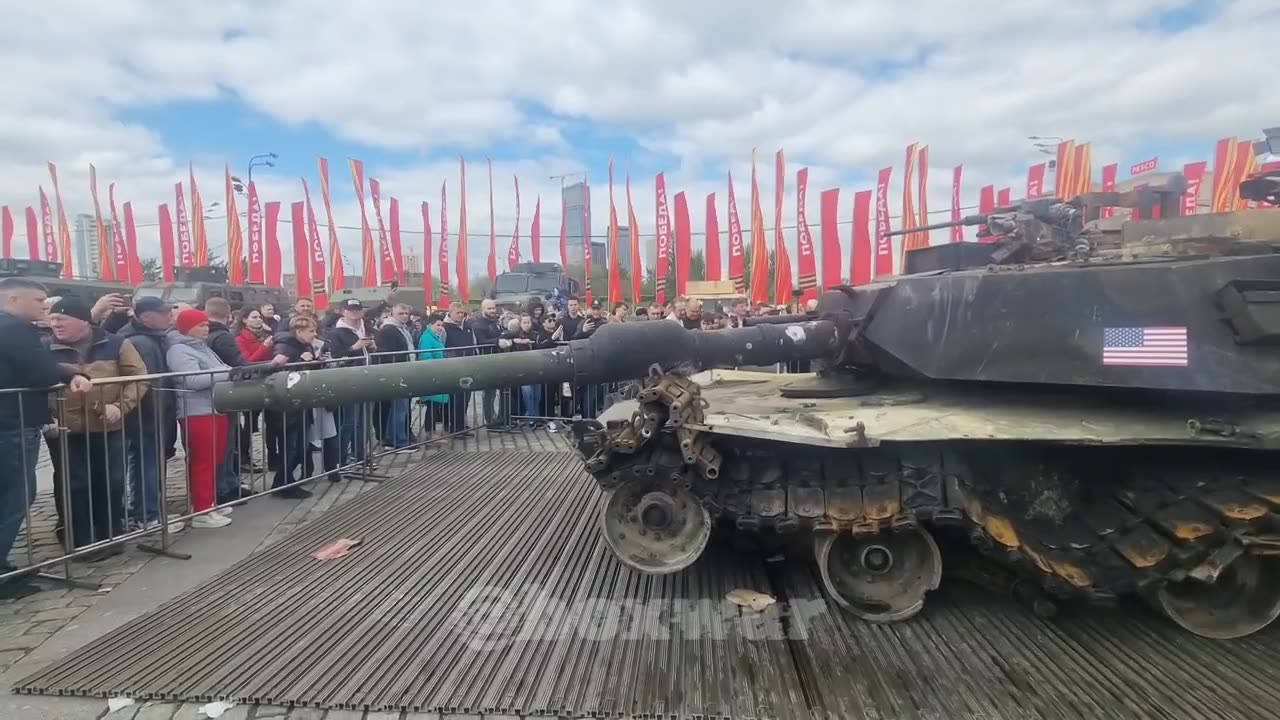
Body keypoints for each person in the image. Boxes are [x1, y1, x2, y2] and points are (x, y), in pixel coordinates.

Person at [0, 279, 92, 597]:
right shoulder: (14, 329)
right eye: (39, 299)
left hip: (11, 423)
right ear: (13, 298)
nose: (45, 305)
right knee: (15, 497)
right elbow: (41, 371)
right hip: (12, 424)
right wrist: (73, 373)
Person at [44, 298, 147, 556]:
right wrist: (46, 417)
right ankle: (81, 542)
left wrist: (120, 406)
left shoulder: (116, 343)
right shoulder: (43, 347)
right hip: (66, 431)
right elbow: (34, 386)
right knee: (74, 485)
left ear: (83, 320)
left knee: (111, 481)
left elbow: (139, 378)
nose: (55, 324)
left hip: (108, 426)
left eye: (61, 319)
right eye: (53, 319)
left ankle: (110, 534)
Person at [115, 296, 184, 534]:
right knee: (147, 465)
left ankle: (147, 511)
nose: (169, 317)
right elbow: (149, 386)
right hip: (146, 416)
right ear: (146, 317)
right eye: (164, 313)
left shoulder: (150, 338)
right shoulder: (141, 342)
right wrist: (158, 417)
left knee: (148, 464)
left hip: (150, 415)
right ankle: (147, 515)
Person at [165, 309, 234, 529]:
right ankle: (202, 510)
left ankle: (209, 502)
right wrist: (227, 373)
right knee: (203, 461)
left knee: (214, 458)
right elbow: (192, 380)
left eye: (206, 324)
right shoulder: (179, 350)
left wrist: (224, 371)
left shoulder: (200, 347)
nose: (206, 328)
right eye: (201, 325)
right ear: (187, 327)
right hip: (197, 411)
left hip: (213, 407)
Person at [270, 315, 335, 495]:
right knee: (290, 448)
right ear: (299, 331)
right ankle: (284, 485)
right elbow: (279, 372)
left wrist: (316, 362)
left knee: (298, 447)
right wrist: (301, 361)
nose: (315, 334)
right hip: (288, 406)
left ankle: (284, 482)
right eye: (311, 331)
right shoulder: (285, 346)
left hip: (300, 404)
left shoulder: (303, 346)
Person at [326, 299, 376, 465]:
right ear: (343, 311)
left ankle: (361, 456)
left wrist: (374, 348)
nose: (354, 312)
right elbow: (336, 357)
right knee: (349, 422)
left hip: (367, 379)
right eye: (350, 309)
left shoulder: (366, 327)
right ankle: (340, 460)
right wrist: (354, 348)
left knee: (364, 423)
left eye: (357, 309)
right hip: (349, 381)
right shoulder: (335, 332)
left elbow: (377, 352)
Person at [376, 303, 416, 452]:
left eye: (406, 313)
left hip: (404, 370)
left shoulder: (401, 328)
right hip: (398, 373)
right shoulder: (389, 330)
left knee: (400, 408)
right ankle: (398, 441)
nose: (405, 316)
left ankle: (393, 438)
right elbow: (388, 353)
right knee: (400, 408)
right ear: (393, 314)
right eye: (401, 313)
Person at [441, 302, 477, 433]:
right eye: (458, 313)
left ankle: (461, 424)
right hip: (453, 366)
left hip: (467, 365)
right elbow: (442, 345)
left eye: (462, 313)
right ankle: (453, 426)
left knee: (465, 398)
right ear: (450, 313)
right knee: (454, 398)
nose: (461, 315)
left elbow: (474, 343)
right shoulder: (445, 327)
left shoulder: (468, 326)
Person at [415, 313, 450, 435]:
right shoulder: (426, 338)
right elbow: (426, 357)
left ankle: (432, 432)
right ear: (430, 325)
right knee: (432, 406)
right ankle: (430, 433)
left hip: (438, 375)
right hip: (432, 376)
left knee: (435, 406)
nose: (440, 327)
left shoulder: (435, 337)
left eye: (441, 325)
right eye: (438, 325)